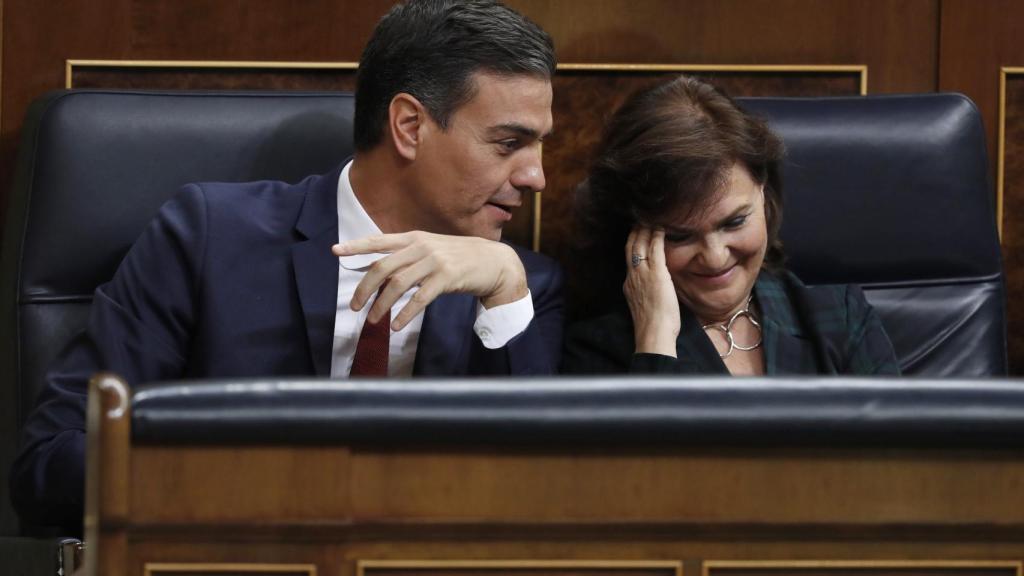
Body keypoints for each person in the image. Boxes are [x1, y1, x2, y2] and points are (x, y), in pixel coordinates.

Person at [11, 0, 563, 535]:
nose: (535, 177)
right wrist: (262, 478)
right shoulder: (209, 237)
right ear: (410, 126)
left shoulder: (521, 286)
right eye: (509, 143)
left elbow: (542, 503)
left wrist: (506, 295)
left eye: (539, 146)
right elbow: (51, 465)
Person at [563, 75, 898, 376]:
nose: (714, 257)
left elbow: (898, 444)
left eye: (734, 222)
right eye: (680, 236)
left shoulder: (840, 318)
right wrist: (655, 338)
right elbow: (646, 446)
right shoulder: (598, 347)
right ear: (635, 235)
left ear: (764, 196)